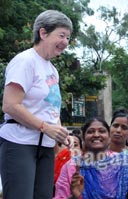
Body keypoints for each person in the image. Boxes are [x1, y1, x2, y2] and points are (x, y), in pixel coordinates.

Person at [0, 10, 72, 199]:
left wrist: (61, 133)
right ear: (43, 33)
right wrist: (44, 127)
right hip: (20, 143)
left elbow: (50, 109)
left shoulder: (52, 70)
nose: (65, 42)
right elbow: (10, 105)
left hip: (45, 146)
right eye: (61, 35)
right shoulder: (25, 61)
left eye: (68, 37)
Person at [54, 117, 128, 199]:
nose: (96, 135)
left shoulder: (125, 163)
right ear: (83, 138)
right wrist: (74, 196)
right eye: (90, 132)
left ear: (109, 137)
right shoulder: (71, 167)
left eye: (102, 131)